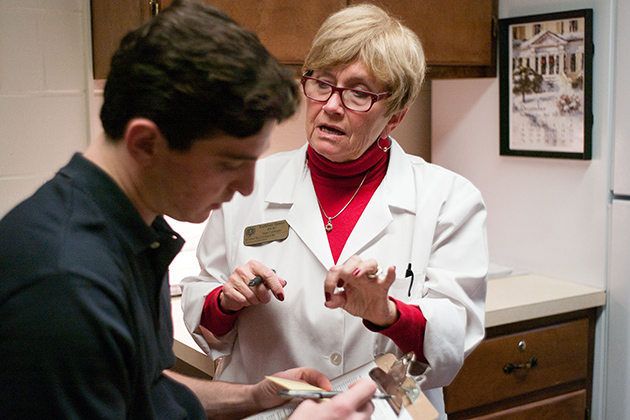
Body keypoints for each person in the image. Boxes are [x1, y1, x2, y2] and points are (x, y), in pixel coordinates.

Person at [0, 1, 379, 419]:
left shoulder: (130, 233)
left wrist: (253, 397)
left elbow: (141, 384)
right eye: (230, 163)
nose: (246, 186)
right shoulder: (67, 283)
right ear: (145, 143)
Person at [180, 3, 489, 419]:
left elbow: (457, 336)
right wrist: (226, 302)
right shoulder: (247, 183)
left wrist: (388, 315)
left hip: (386, 406)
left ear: (395, 115)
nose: (331, 105)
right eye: (322, 83)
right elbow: (202, 313)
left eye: (359, 93)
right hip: (268, 407)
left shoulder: (448, 198)